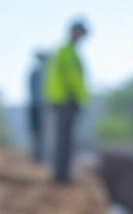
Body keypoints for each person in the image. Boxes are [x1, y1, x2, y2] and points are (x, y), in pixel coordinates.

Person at [45, 18, 90, 184]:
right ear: (74, 31)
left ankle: (62, 174)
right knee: (65, 140)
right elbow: (72, 79)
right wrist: (77, 97)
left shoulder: (67, 51)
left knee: (64, 139)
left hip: (64, 100)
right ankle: (62, 176)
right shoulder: (67, 52)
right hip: (66, 100)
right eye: (81, 33)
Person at [27, 51, 50, 164]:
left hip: (40, 106)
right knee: (38, 133)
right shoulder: (39, 73)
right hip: (39, 106)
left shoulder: (39, 73)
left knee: (40, 133)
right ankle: (38, 157)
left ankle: (40, 157)